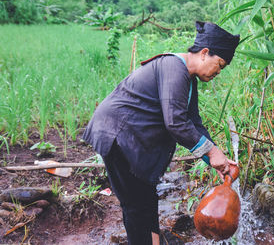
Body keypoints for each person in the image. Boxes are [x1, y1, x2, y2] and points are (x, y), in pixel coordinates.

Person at [82, 21, 240, 245]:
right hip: (118, 135)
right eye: (220, 64)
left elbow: (193, 122)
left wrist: (216, 158)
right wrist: (212, 152)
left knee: (146, 199)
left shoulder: (188, 80)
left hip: (132, 140)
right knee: (136, 206)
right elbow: (175, 122)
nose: (218, 72)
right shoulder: (174, 67)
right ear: (205, 53)